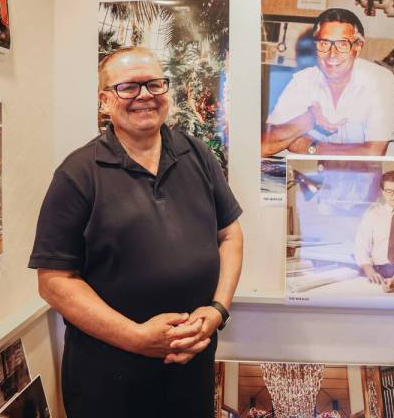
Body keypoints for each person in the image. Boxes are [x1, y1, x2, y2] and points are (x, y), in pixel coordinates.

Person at [28, 46, 243, 416]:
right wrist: (138, 338)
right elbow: (54, 281)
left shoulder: (198, 155)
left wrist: (218, 310)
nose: (145, 95)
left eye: (154, 84)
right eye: (128, 87)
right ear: (104, 101)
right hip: (109, 381)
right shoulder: (77, 174)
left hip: (191, 372)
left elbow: (231, 236)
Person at [261, 8, 394, 157]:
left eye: (342, 44)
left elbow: (373, 154)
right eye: (324, 43)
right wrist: (309, 119)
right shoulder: (302, 80)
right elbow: (263, 146)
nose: (332, 54)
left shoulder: (379, 79)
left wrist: (309, 147)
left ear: (358, 47)